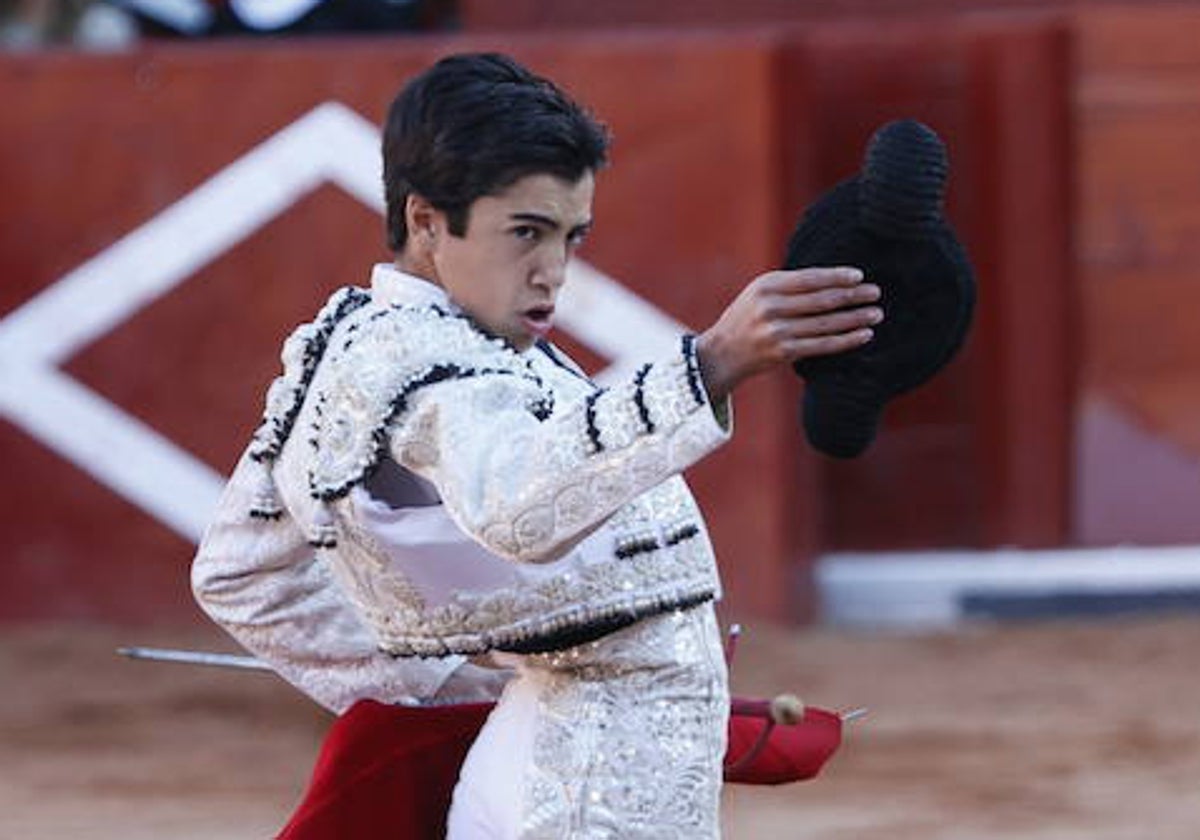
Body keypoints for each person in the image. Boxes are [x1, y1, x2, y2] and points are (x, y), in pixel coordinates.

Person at [192, 52, 881, 839]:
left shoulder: (358, 344)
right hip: (584, 796)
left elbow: (239, 572)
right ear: (425, 220)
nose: (552, 273)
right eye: (525, 232)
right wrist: (714, 363)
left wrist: (456, 687)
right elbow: (518, 506)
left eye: (570, 235)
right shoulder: (427, 363)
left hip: (545, 754)